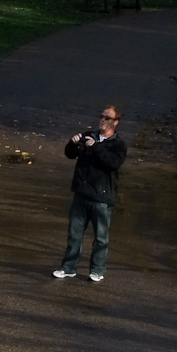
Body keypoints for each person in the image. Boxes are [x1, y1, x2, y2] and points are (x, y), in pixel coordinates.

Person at [53, 105, 127, 282]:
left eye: (107, 118)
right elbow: (71, 154)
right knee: (74, 234)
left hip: (102, 198)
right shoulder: (89, 136)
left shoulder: (118, 144)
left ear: (116, 122)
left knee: (101, 238)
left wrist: (96, 147)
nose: (102, 120)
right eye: (102, 116)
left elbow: (112, 164)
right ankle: (68, 267)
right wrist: (72, 143)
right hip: (82, 194)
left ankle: (97, 270)